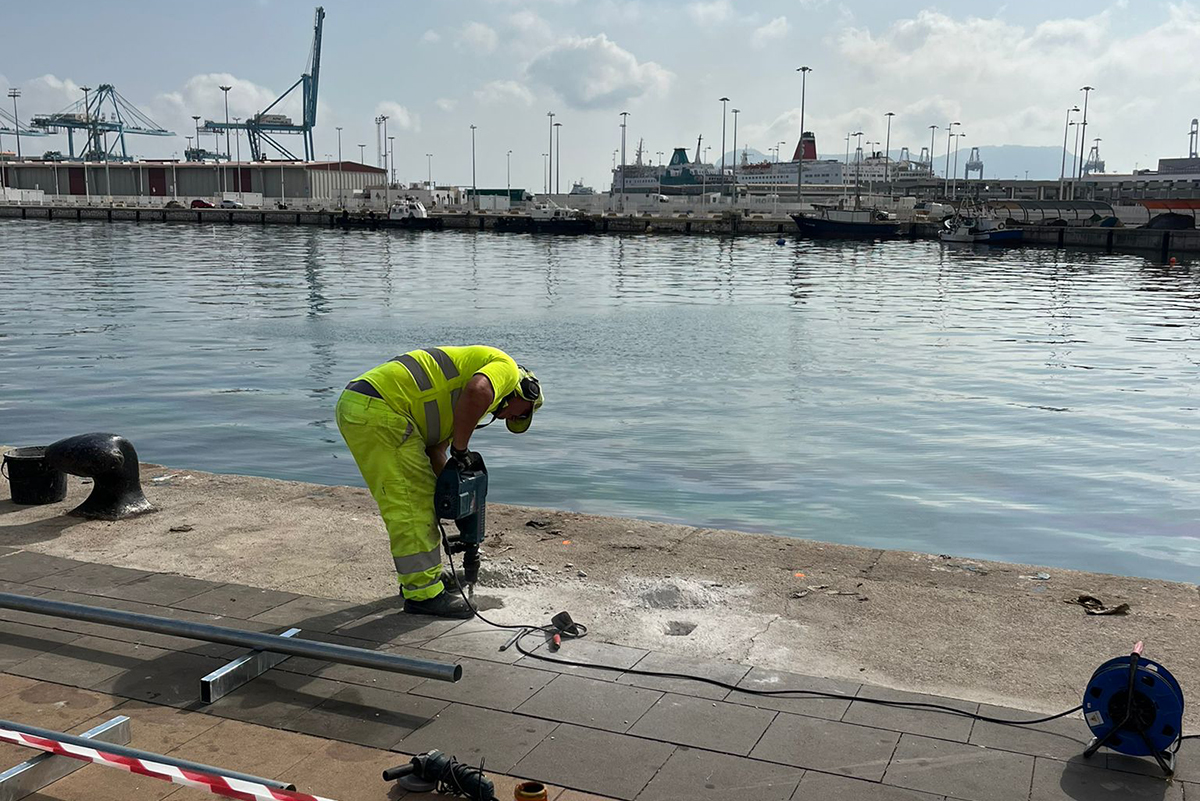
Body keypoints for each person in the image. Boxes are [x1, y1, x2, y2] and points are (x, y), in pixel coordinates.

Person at [336, 346, 543, 618]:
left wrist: (455, 498)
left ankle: (425, 578)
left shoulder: (450, 407)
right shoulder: (506, 367)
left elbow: (436, 453)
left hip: (378, 407)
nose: (509, 418)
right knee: (411, 504)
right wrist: (461, 451)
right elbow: (478, 391)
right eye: (520, 414)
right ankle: (423, 594)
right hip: (383, 410)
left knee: (422, 499)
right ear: (526, 391)